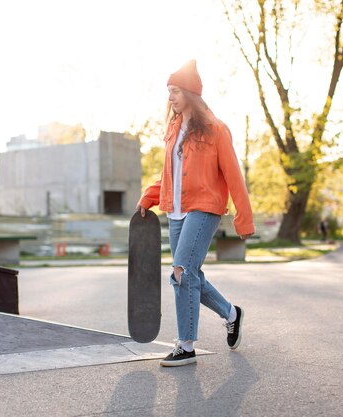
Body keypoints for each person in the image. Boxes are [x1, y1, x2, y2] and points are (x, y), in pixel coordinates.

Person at [136, 60, 255, 367]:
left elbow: (233, 175)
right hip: (176, 211)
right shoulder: (173, 129)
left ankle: (185, 345)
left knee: (181, 273)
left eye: (175, 90)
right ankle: (231, 313)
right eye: (168, 91)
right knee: (189, 276)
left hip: (205, 208)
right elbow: (173, 174)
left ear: (190, 92)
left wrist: (244, 216)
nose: (170, 97)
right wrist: (150, 196)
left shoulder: (216, 129)